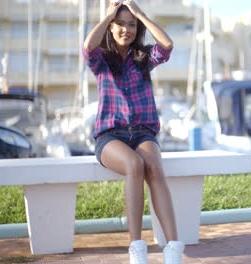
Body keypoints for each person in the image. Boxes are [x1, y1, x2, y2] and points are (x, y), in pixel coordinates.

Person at [82, 1, 184, 263]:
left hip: (142, 133)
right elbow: (88, 46)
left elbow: (167, 45)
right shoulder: (101, 59)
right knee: (134, 164)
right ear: (111, 26)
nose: (126, 29)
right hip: (110, 136)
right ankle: (137, 248)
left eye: (131, 24)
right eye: (121, 23)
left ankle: (173, 249)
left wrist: (140, 14)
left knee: (154, 167)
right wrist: (107, 16)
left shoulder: (144, 57)